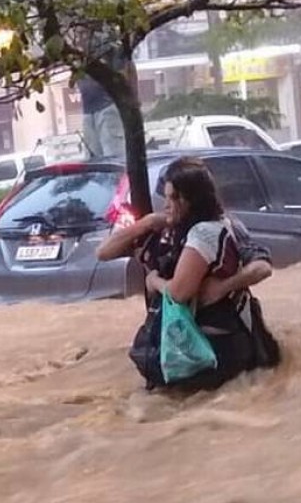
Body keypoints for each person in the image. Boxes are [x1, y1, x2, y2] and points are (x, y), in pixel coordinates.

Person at [97, 158, 279, 390]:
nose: (167, 205)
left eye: (174, 198)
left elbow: (179, 293)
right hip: (175, 348)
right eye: (166, 197)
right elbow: (103, 252)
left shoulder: (212, 231)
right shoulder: (161, 231)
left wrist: (156, 281)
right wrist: (146, 223)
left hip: (210, 348)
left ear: (192, 200)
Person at [77, 30, 130, 160]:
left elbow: (123, 73)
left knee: (113, 157)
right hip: (88, 110)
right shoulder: (77, 47)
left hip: (107, 107)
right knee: (93, 160)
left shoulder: (108, 42)